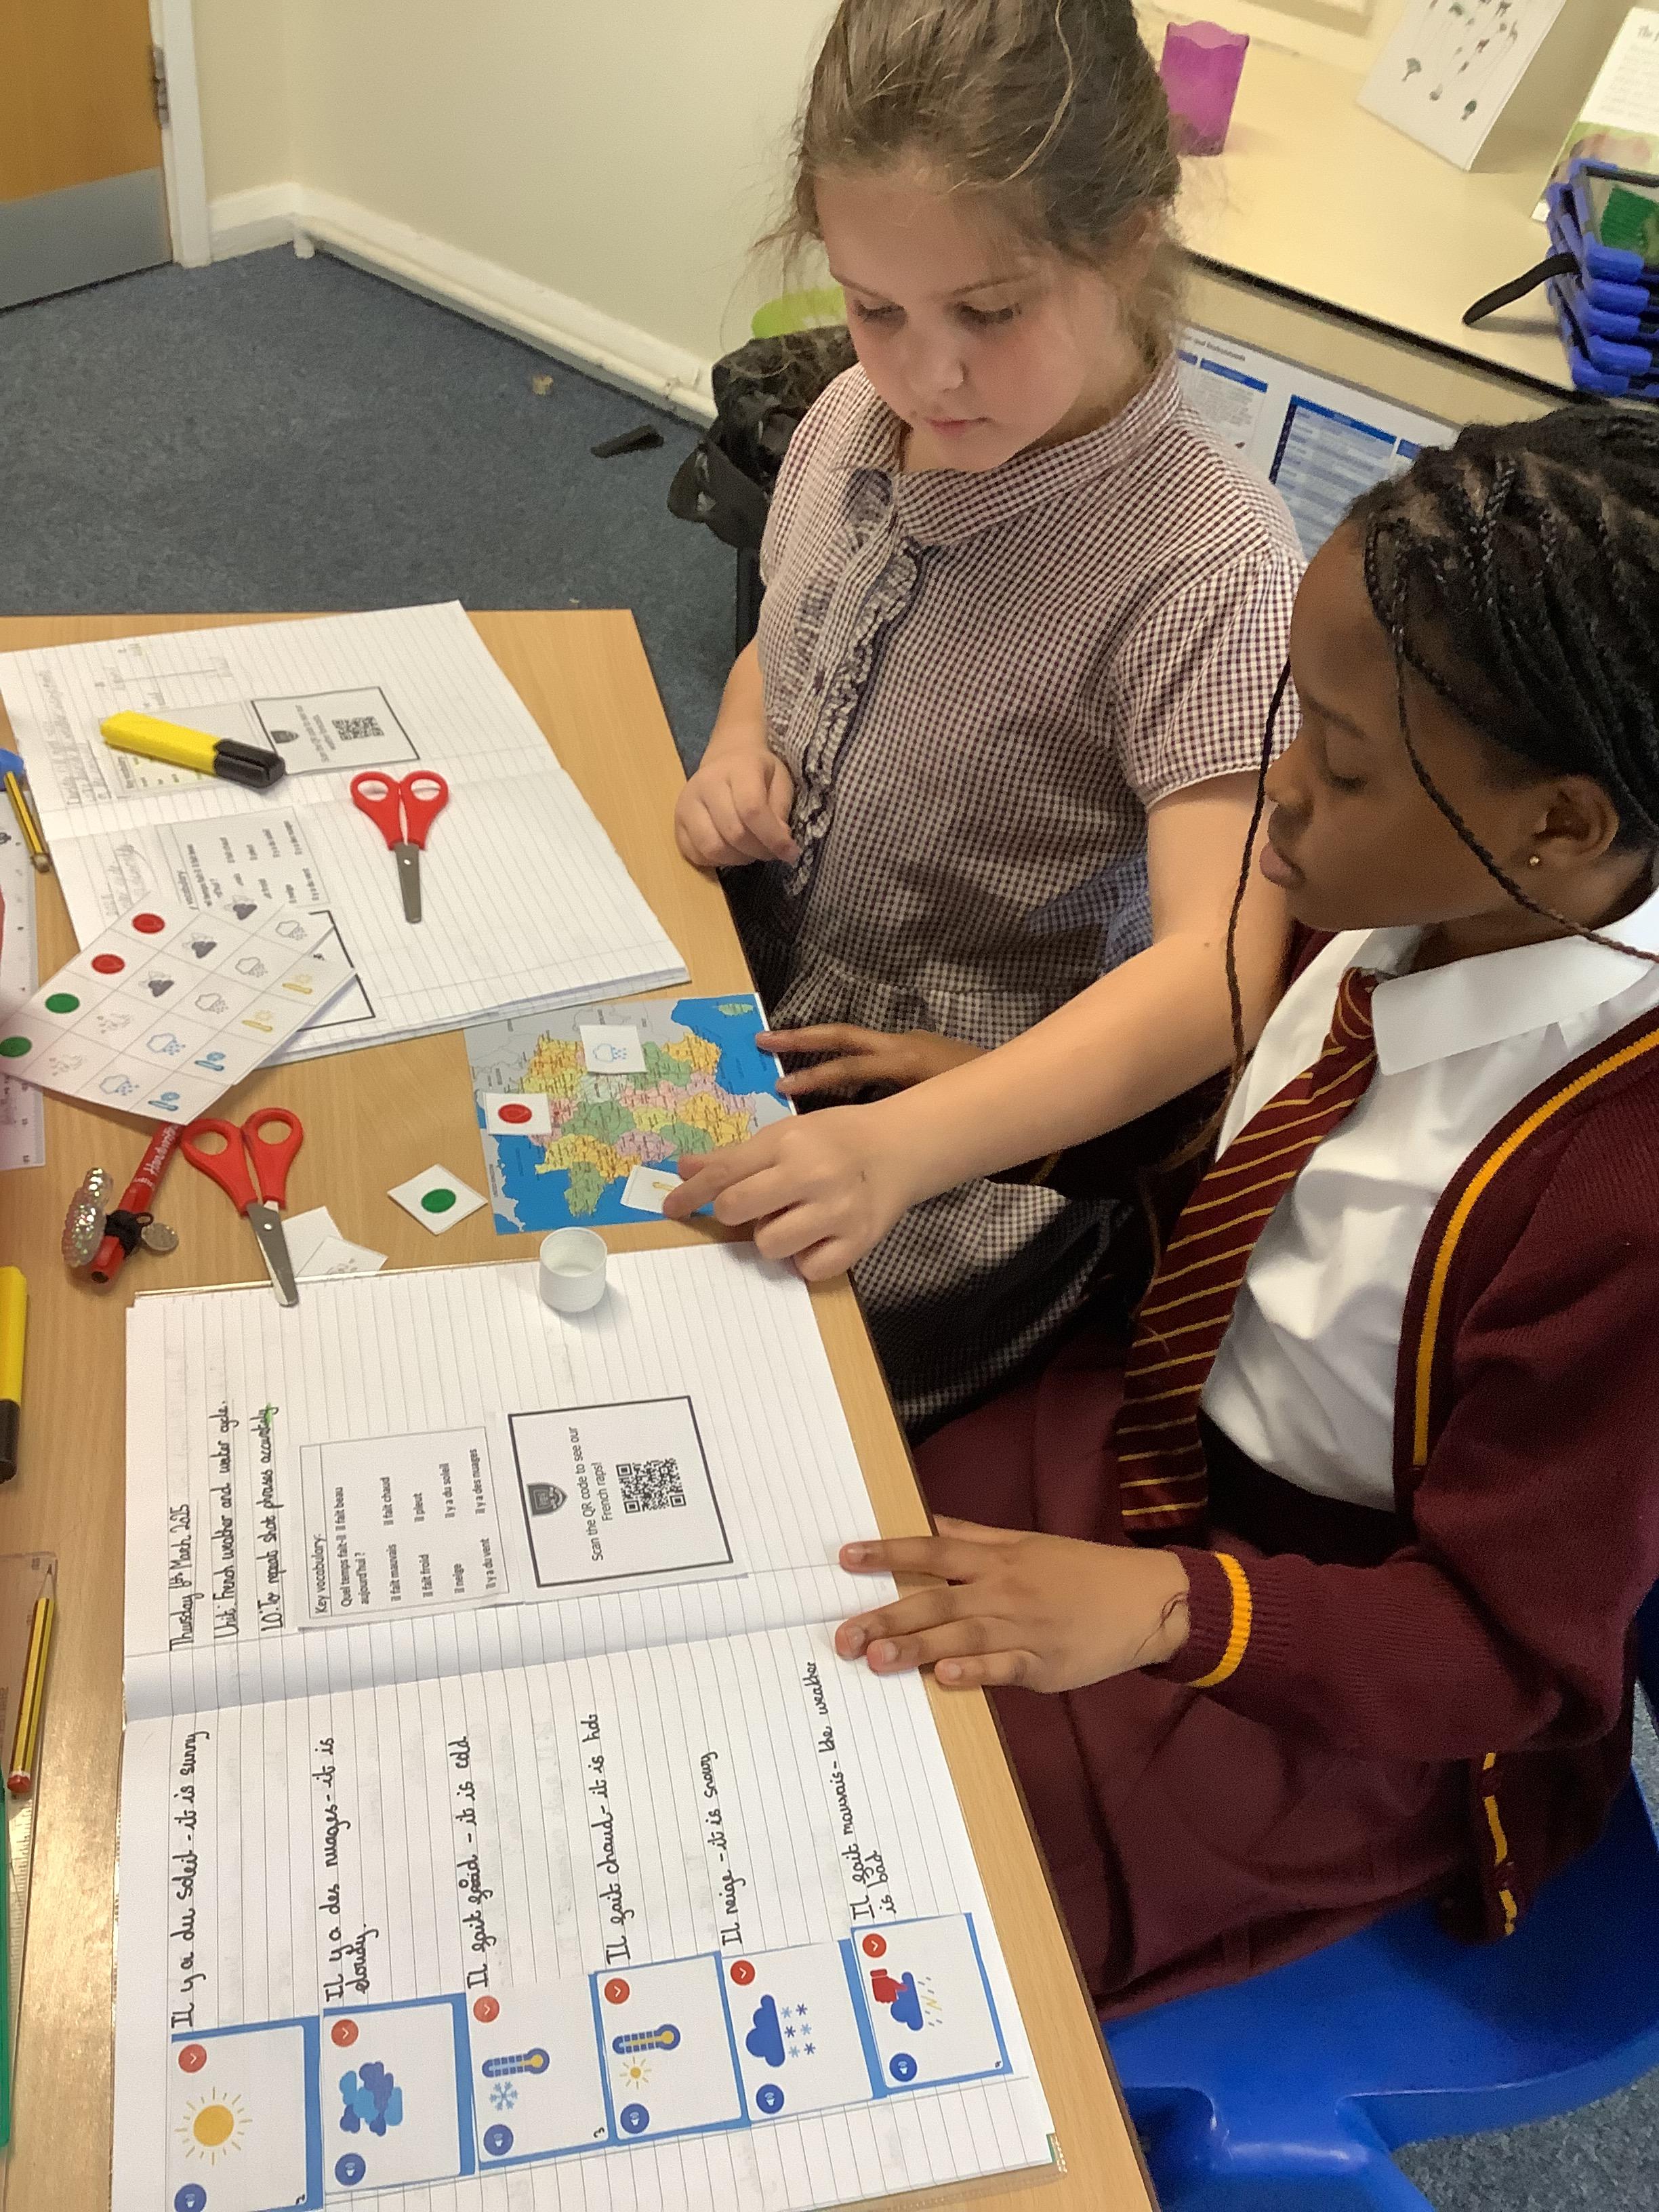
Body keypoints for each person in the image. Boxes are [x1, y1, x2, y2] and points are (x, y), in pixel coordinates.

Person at [804, 407, 1659, 2013]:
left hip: (1332, 1656)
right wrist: (1015, 1115)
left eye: (1341, 764)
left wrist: (1169, 1610)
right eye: (1294, 722)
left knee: (892, 1896)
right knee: (792, 1601)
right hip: (1145, 1438)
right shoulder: (1410, 894)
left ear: (1559, 824)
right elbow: (1268, 1156)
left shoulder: (1623, 1192)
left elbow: (1515, 1654)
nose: (1277, 794)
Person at [672, 0, 1301, 1435]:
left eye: (991, 312)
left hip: (982, 1131)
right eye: (874, 307)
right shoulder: (851, 422)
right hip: (763, 1001)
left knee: (705, 1383)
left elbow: (1217, 972)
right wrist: (736, 745)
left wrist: (904, 1150)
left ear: (1130, 243)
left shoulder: (1209, 569)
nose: (926, 374)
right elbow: (783, 636)